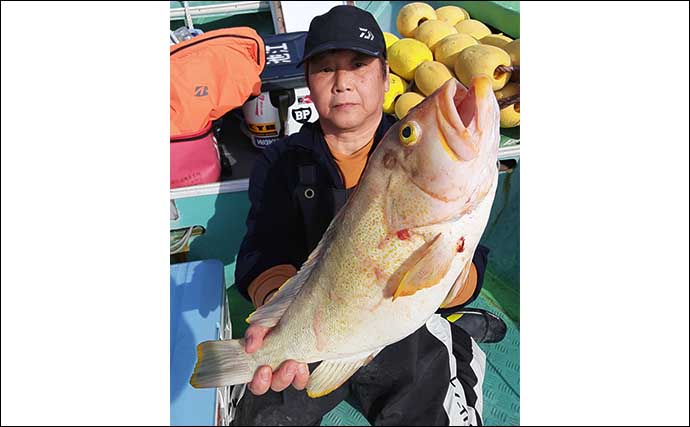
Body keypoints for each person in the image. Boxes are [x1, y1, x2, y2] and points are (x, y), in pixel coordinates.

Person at [232, 5, 505, 425]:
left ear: (385, 78)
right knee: (259, 410)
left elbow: (472, 265)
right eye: (325, 69)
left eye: (358, 65)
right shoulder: (281, 161)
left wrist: (447, 279)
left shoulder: (447, 183)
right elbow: (263, 249)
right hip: (314, 326)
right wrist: (277, 314)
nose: (342, 83)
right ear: (309, 82)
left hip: (405, 327)